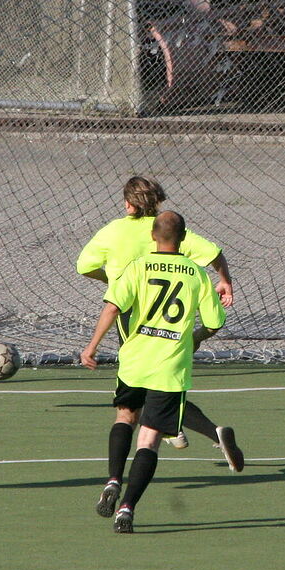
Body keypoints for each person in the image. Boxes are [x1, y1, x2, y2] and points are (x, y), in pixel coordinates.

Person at [75, 176, 244, 475]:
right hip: (171, 321)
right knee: (163, 378)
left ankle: (196, 432)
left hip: (132, 315)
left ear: (128, 204)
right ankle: (188, 431)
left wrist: (114, 282)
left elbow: (84, 266)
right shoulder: (168, 228)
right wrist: (225, 281)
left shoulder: (114, 231)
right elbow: (214, 253)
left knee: (140, 387)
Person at [79, 211, 225, 533]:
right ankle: (127, 509)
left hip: (134, 361)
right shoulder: (196, 274)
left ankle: (113, 480)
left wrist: (91, 347)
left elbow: (112, 307)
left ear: (152, 236)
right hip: (170, 367)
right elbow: (214, 322)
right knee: (150, 439)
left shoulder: (137, 267)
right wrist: (196, 338)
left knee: (124, 417)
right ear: (183, 238)